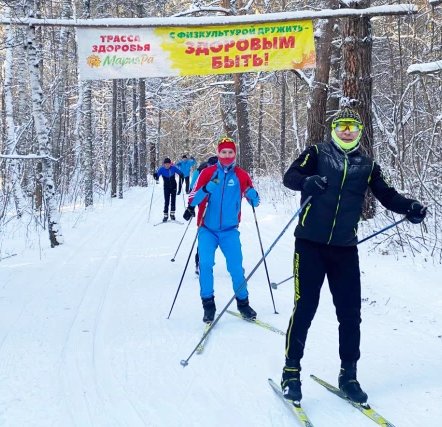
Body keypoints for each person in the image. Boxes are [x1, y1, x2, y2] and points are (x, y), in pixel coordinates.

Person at [279, 108, 427, 404]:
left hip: (345, 249)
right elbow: (290, 176)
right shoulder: (317, 153)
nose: (347, 131)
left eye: (352, 127)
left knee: (350, 315)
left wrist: (410, 206)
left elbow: (387, 195)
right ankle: (291, 372)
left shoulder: (367, 165)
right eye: (342, 126)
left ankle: (349, 375)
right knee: (305, 308)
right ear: (334, 129)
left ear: (359, 131)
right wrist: (306, 182)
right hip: (309, 244)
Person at [183, 138, 260, 323]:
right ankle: (208, 306)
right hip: (207, 229)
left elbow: (255, 202)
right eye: (223, 152)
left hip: (230, 231)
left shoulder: (241, 175)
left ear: (235, 154)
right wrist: (206, 188)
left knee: (236, 269)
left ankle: (243, 304)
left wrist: (252, 194)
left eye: (230, 152)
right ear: (218, 153)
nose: (227, 156)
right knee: (206, 265)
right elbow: (192, 200)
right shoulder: (207, 172)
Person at [190, 156, 218, 275]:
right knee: (204, 239)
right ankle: (199, 263)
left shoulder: (222, 173)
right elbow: (193, 187)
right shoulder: (201, 171)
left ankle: (235, 267)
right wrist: (192, 205)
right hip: (203, 205)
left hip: (216, 208)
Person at [154, 157, 183, 222]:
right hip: (166, 187)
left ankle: (172, 214)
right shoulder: (161, 169)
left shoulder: (173, 168)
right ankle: (165, 215)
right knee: (166, 201)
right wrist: (156, 176)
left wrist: (181, 174)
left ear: (170, 164)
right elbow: (157, 176)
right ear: (164, 164)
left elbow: (179, 172)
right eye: (166, 164)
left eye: (168, 164)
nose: (167, 165)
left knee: (173, 200)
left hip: (174, 186)